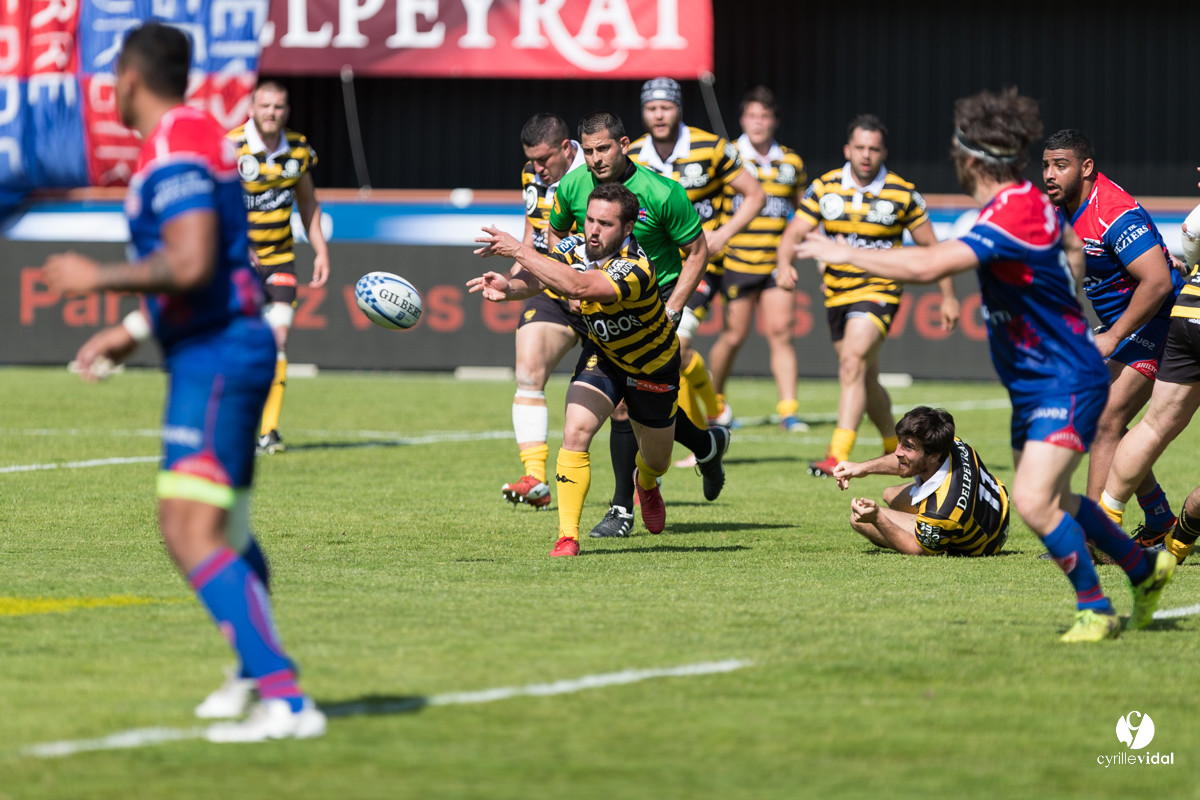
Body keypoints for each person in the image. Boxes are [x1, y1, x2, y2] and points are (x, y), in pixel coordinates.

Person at [796, 87, 1174, 642]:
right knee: (1056, 499)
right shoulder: (1030, 202)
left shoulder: (1015, 208)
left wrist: (845, 252)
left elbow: (931, 263)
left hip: (1064, 375)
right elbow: (1070, 248)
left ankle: (1095, 607)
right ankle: (1146, 570)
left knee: (1033, 500)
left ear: (968, 157)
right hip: (1037, 378)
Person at [41, 22, 325, 739]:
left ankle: (285, 699)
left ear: (128, 80)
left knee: (187, 528)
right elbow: (215, 268)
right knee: (224, 525)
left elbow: (194, 262)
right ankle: (250, 673)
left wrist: (93, 279)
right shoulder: (199, 131)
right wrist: (132, 331)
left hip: (219, 354)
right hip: (225, 343)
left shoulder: (171, 147)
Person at [547, 111, 730, 539]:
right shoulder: (573, 186)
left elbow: (698, 251)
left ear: (625, 144)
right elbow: (556, 236)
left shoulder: (662, 192)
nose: (595, 159)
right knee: (627, 405)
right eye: (588, 151)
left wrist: (675, 307)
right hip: (601, 301)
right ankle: (706, 445)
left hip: (655, 302)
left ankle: (621, 507)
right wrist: (568, 286)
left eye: (603, 149)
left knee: (633, 404)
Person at [470, 183, 678, 557]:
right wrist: (511, 286)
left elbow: (579, 285)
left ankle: (645, 483)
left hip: (652, 368)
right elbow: (543, 277)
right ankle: (568, 536)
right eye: (590, 220)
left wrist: (518, 248)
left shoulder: (636, 268)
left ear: (627, 229)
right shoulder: (574, 246)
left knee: (657, 459)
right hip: (607, 358)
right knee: (575, 430)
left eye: (605, 224)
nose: (593, 230)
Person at [777, 114, 961, 477]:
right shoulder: (825, 187)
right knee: (865, 378)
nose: (866, 155)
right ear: (847, 149)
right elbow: (793, 232)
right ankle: (894, 449)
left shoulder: (901, 193)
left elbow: (933, 249)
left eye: (873, 149)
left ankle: (836, 454)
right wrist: (784, 263)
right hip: (836, 296)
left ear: (883, 152)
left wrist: (949, 296)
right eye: (859, 147)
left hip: (879, 292)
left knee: (852, 363)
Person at [1041, 129, 1181, 546]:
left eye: (1060, 165)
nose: (1049, 173)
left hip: (1160, 322)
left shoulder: (1113, 212)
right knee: (1101, 421)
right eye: (1046, 164)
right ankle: (1158, 518)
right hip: (1127, 327)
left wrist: (1113, 334)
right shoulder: (1063, 207)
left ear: (1086, 168)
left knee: (1105, 420)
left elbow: (1156, 283)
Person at [629, 77, 766, 437]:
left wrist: (721, 235)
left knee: (678, 342)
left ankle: (697, 435)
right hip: (649, 270)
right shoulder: (631, 155)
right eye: (651, 108)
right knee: (668, 353)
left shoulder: (712, 148)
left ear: (679, 109)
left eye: (666, 107)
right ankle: (716, 409)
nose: (659, 115)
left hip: (698, 265)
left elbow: (755, 195)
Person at [227, 79, 330, 455]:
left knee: (279, 338)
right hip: (238, 260)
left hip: (281, 257)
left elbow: (307, 201)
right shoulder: (230, 146)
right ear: (252, 107)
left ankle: (267, 431)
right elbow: (214, 204)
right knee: (240, 341)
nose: (272, 113)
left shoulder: (299, 148)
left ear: (287, 111)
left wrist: (319, 249)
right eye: (265, 106)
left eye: (279, 107)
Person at [704, 86, 809, 431]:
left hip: (776, 263)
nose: (758, 122)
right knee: (733, 336)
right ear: (742, 119)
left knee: (781, 333)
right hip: (736, 262)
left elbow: (802, 212)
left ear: (775, 120)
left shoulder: (791, 162)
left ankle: (789, 411)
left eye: (765, 116)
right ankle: (715, 402)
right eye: (752, 116)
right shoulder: (729, 155)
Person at [499, 113, 588, 508]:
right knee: (528, 371)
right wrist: (513, 277)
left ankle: (643, 482)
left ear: (567, 148)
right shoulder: (532, 174)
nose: (537, 168)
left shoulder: (600, 173)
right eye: (532, 160)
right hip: (552, 288)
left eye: (544, 159)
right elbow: (532, 231)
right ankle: (535, 478)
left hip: (602, 294)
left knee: (625, 407)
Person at [1099, 245, 1200, 564]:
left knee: (1153, 427)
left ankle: (1105, 525)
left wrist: (1186, 267)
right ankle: (1177, 543)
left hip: (1189, 309)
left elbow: (1192, 236)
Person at [832, 406, 1010, 556]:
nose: (897, 452)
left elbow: (918, 549)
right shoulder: (951, 443)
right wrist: (862, 468)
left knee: (859, 519)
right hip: (997, 504)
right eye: (900, 443)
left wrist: (878, 518)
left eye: (908, 446)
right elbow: (907, 462)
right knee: (890, 494)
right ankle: (929, 525)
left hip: (986, 542)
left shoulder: (943, 510)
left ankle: (939, 535)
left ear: (933, 456)